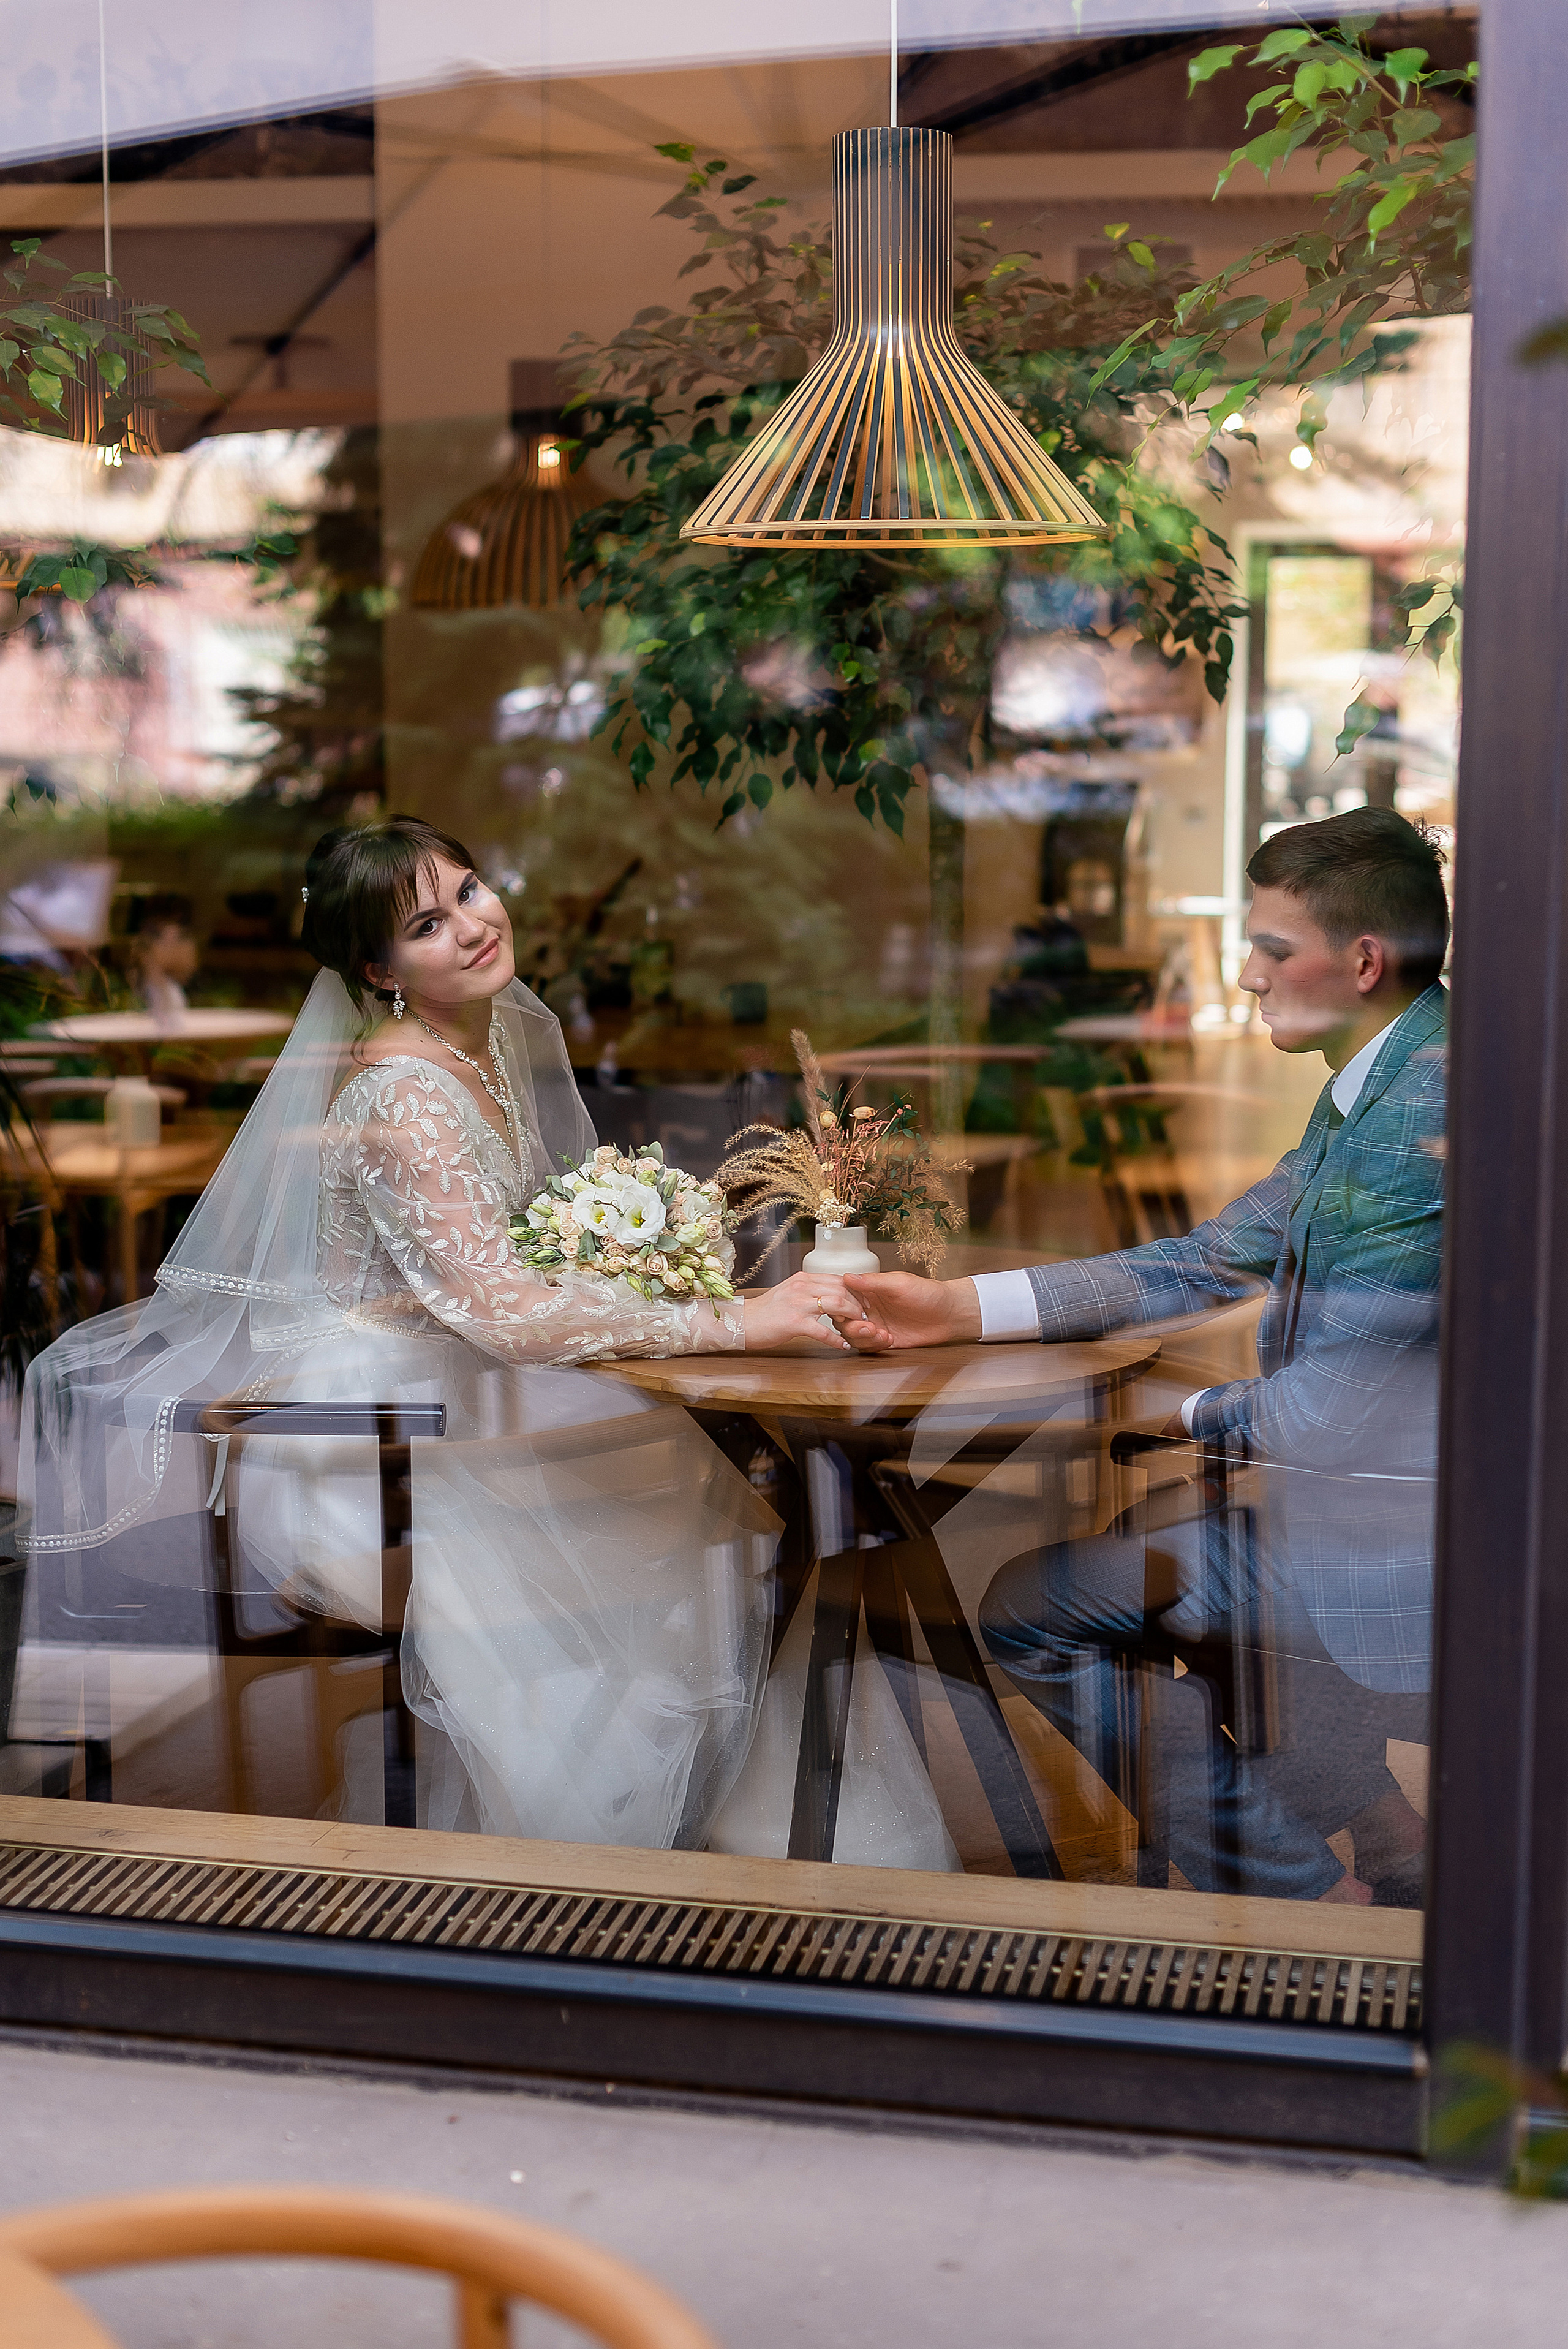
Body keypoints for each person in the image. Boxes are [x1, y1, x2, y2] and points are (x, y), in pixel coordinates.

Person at [17, 816, 952, 1865]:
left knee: (722, 1486)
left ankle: (738, 1818)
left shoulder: (495, 1037)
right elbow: (501, 1309)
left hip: (469, 1375)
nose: (470, 926)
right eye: (426, 923)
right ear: (380, 970)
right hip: (377, 1429)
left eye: (468, 890)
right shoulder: (402, 1093)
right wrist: (738, 1318)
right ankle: (610, 1846)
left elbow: (524, 1271)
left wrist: (648, 1262)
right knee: (683, 1511)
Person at [839, 808, 1447, 1905]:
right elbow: (1208, 1258)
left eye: (1270, 947)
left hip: (1407, 1554)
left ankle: (1311, 1906)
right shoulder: (1393, 1074)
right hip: (1378, 1513)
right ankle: (1386, 1834)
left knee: (1036, 1607)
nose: (1249, 975)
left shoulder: (1413, 1113)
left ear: (1361, 961)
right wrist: (954, 1308)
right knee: (1143, 1550)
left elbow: (1313, 1419)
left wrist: (1175, 1412)